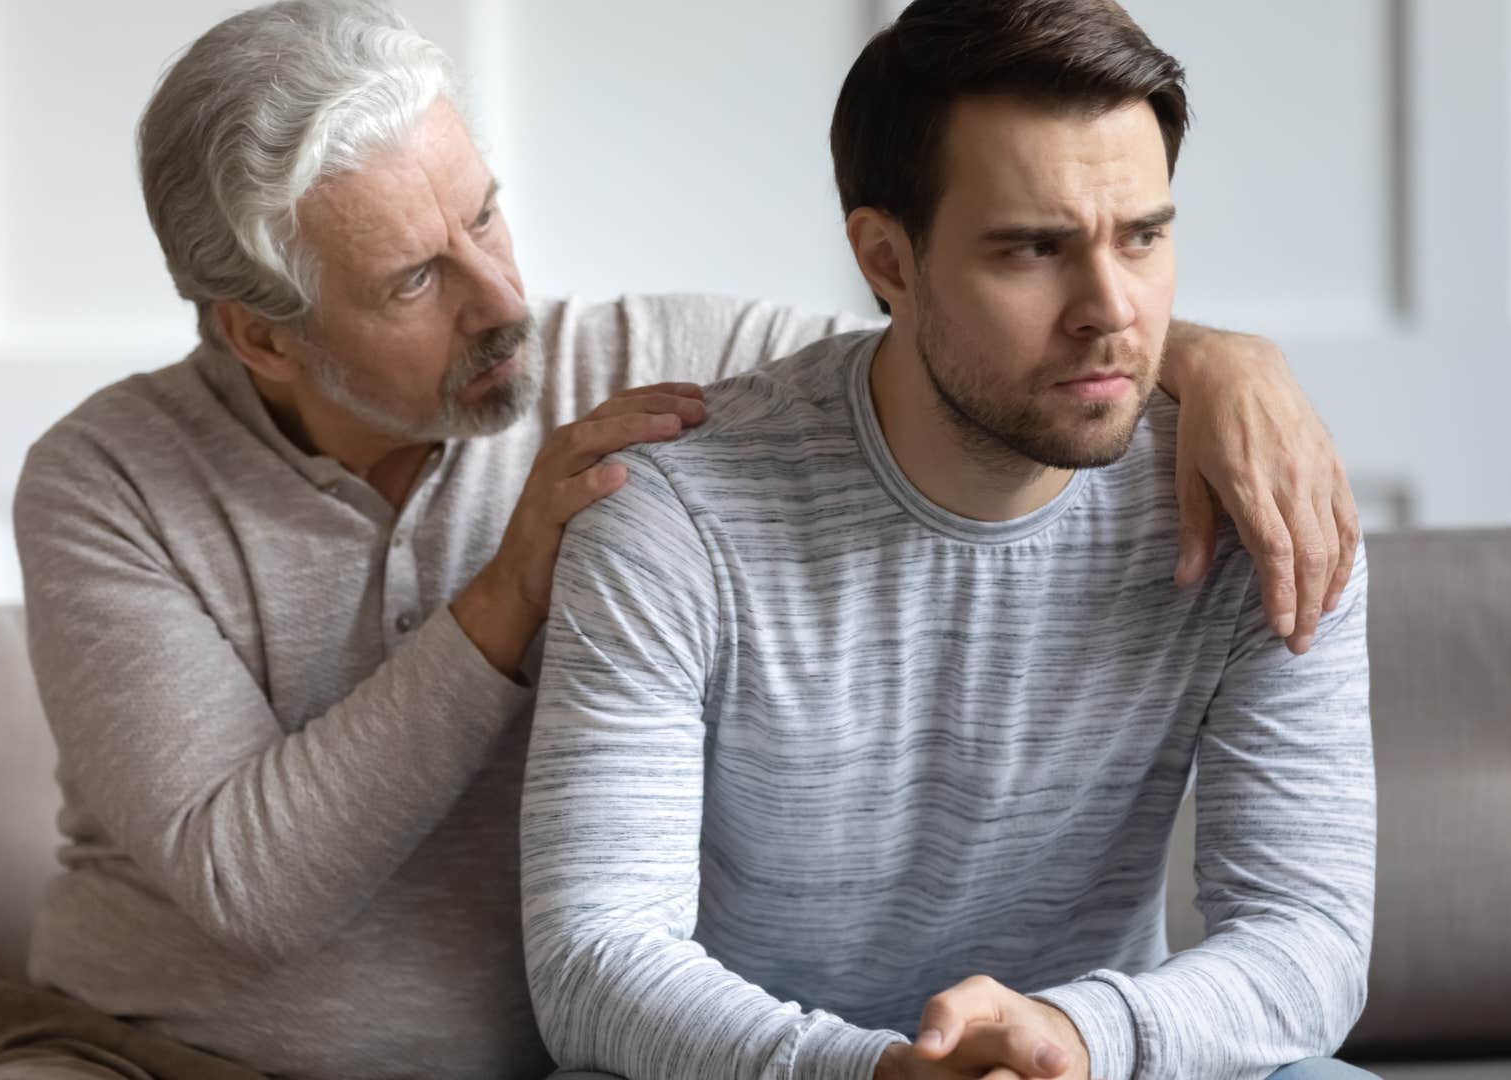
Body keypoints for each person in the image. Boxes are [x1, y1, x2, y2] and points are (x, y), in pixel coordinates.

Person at [0, 1, 1359, 1077]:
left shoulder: (647, 369)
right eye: (415, 278)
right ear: (261, 335)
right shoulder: (107, 480)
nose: (500, 298)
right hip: (141, 1053)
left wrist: (1222, 363)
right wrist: (513, 584)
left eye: (487, 212)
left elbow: (951, 346)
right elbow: (253, 883)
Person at [521, 1, 1376, 1078]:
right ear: (887, 259)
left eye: (1143, 236)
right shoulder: (671, 518)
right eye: (1033, 249)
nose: (1111, 310)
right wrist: (880, 1072)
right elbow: (593, 960)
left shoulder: (1259, 493)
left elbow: (1311, 938)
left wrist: (1078, 1038)